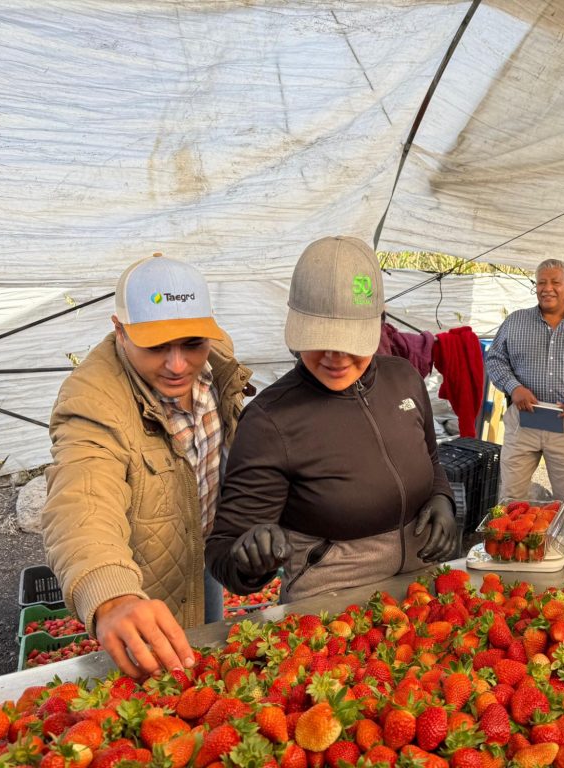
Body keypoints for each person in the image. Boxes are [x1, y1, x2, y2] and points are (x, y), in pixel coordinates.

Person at [207, 236, 456, 603]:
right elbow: (223, 548)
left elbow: (430, 459)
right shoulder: (270, 421)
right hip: (329, 607)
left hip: (419, 590)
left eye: (351, 340)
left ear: (379, 324)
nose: (335, 357)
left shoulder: (403, 378)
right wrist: (249, 560)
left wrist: (441, 498)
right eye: (319, 339)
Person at [42, 253, 253, 678]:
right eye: (156, 346)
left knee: (206, 656)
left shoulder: (218, 358)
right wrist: (112, 594)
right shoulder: (94, 401)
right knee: (159, 684)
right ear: (120, 330)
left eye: (192, 343)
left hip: (204, 550)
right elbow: (83, 498)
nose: (177, 365)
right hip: (144, 581)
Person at [485, 259, 564, 517]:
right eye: (541, 283)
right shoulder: (515, 321)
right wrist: (514, 387)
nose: (547, 288)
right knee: (511, 497)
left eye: (555, 282)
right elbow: (495, 360)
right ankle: (512, 540)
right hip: (523, 421)